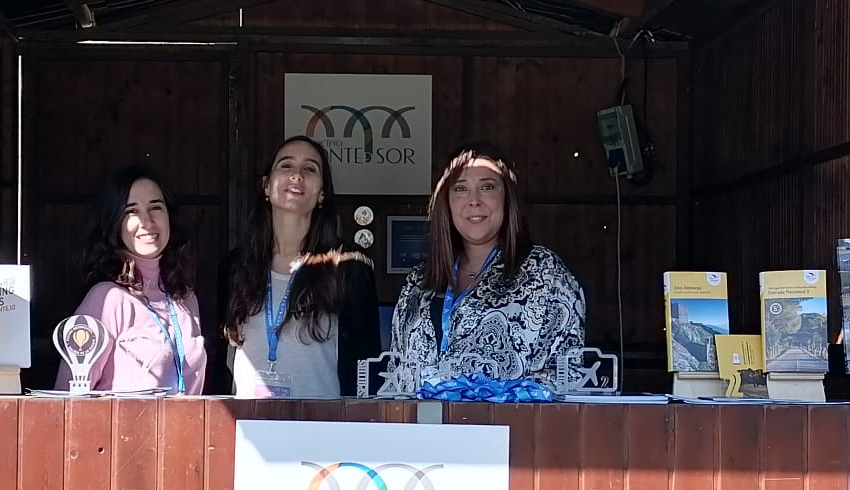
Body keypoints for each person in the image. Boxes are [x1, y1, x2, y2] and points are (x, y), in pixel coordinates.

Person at [388, 141, 586, 388]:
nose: (474, 201)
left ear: (507, 198)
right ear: (445, 203)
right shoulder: (418, 282)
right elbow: (395, 375)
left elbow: (567, 378)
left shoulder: (545, 272)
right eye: (460, 188)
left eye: (487, 187)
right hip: (422, 424)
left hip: (509, 425)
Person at [219, 136, 380, 399]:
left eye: (310, 168)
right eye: (286, 166)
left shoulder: (350, 267)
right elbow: (220, 363)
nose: (296, 175)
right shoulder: (235, 267)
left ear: (322, 194)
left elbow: (365, 369)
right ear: (266, 187)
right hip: (248, 427)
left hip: (324, 430)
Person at [56, 164, 207, 394]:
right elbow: (67, 399)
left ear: (170, 217)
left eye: (155, 207)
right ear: (115, 223)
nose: (146, 221)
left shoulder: (186, 299)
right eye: (131, 211)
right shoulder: (106, 299)